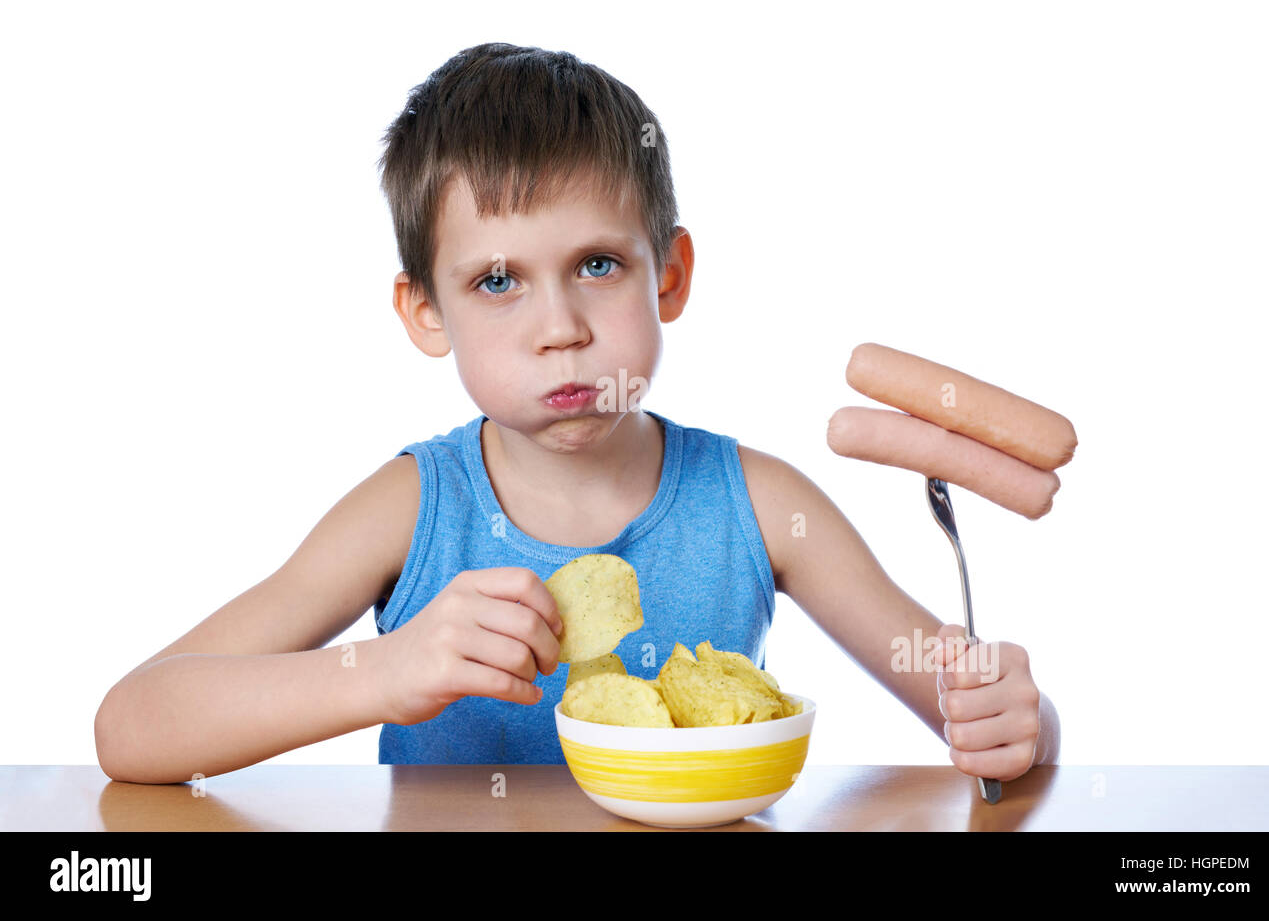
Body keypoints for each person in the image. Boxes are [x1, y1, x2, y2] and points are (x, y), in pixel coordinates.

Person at [95, 42, 1059, 782]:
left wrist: (1020, 720)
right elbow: (133, 722)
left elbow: (972, 703)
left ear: (669, 274)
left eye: (599, 265)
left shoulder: (763, 505)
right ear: (425, 312)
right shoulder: (411, 508)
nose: (560, 328)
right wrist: (382, 671)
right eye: (498, 281)